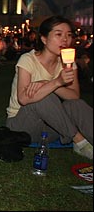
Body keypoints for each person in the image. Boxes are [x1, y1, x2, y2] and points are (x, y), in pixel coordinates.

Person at [5, 15, 93, 160]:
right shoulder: (28, 60)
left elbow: (74, 96)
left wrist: (49, 83)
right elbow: (23, 99)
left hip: (52, 126)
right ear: (44, 39)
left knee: (76, 104)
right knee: (42, 98)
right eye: (58, 34)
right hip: (22, 125)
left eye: (69, 35)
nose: (65, 39)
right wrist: (56, 82)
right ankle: (80, 142)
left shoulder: (68, 63)